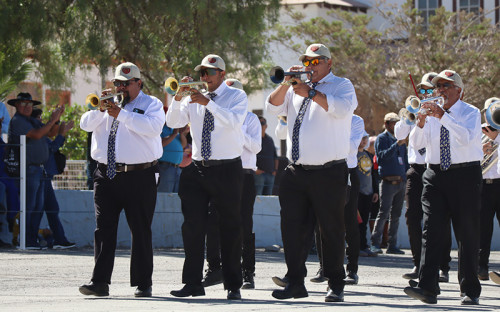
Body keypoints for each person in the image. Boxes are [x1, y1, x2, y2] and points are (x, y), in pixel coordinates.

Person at [266, 43, 357, 302]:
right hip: (296, 172)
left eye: (316, 62)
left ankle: (336, 283)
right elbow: (272, 107)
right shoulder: (296, 88)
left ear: (329, 63)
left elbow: (341, 110)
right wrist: (287, 84)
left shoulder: (342, 85)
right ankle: (295, 282)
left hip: (329, 172)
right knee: (292, 229)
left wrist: (310, 93)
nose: (311, 66)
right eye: (307, 61)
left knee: (331, 230)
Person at [79, 62, 164, 297]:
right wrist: (100, 110)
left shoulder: (151, 104)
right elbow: (84, 124)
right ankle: (100, 282)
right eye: (118, 83)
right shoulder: (105, 106)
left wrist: (122, 114)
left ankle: (143, 282)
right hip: (106, 174)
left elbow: (154, 128)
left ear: (139, 83)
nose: (121, 88)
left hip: (139, 174)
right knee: (103, 229)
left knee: (140, 229)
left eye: (126, 84)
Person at [167, 54, 248, 300]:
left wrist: (207, 103)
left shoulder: (236, 96)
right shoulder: (193, 97)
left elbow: (234, 122)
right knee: (192, 227)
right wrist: (178, 96)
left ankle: (233, 285)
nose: (205, 77)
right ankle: (192, 283)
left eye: (209, 73)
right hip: (199, 168)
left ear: (222, 74)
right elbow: (173, 121)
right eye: (202, 73)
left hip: (227, 169)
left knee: (230, 228)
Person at [405, 70, 482, 305]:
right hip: (435, 174)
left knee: (466, 233)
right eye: (439, 86)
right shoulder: (430, 112)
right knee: (431, 231)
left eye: (447, 86)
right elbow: (417, 146)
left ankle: (469, 289)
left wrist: (443, 117)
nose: (441, 91)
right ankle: (427, 287)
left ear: (459, 90)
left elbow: (466, 138)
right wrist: (420, 122)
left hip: (465, 174)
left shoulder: (471, 112)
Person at [204, 78, 262, 290]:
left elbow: (255, 147)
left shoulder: (251, 119)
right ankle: (214, 268)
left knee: (244, 225)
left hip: (244, 175)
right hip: (219, 172)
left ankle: (248, 271)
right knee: (212, 222)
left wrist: (236, 129)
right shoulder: (214, 115)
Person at [395, 73, 451, 282]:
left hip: (434, 169)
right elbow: (400, 135)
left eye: (429, 89)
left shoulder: (442, 111)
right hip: (415, 170)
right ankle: (419, 263)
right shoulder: (416, 108)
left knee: (438, 219)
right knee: (412, 216)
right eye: (422, 89)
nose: (425, 93)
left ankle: (442, 266)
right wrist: (410, 114)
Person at [310, 114, 365, 285]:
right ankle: (323, 267)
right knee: (321, 223)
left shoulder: (356, 120)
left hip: (348, 172)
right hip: (325, 172)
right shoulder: (325, 118)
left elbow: (350, 147)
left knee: (349, 222)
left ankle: (352, 269)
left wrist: (330, 136)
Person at [7, 92, 63, 249]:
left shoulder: (31, 120)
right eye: (23, 104)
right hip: (27, 169)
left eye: (29, 104)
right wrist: (52, 120)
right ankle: (24, 239)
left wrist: (56, 120)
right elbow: (38, 135)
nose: (26, 107)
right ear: (16, 106)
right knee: (29, 206)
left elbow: (50, 132)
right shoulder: (18, 121)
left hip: (38, 170)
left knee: (37, 207)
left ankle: (31, 240)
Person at [31, 108, 76, 249]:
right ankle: (32, 239)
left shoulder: (41, 134)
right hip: (41, 177)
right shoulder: (36, 135)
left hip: (45, 178)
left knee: (51, 209)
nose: (40, 120)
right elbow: (54, 146)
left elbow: (52, 139)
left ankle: (59, 239)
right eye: (38, 117)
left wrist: (62, 129)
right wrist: (62, 133)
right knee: (39, 210)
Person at [371, 112, 408, 254]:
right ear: (386, 124)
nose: (396, 126)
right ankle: (376, 242)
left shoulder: (401, 140)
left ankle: (392, 244)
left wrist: (405, 176)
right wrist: (396, 145)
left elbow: (404, 160)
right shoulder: (382, 138)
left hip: (400, 182)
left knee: (396, 215)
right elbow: (381, 157)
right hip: (387, 181)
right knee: (383, 213)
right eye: (393, 123)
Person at [478, 97, 500, 280]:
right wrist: (481, 149)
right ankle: (481, 268)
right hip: (484, 185)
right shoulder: (478, 132)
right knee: (483, 228)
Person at [356, 133, 378, 257]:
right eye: (362, 138)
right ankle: (356, 246)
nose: (364, 141)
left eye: (365, 139)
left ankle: (364, 245)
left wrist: (375, 191)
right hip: (357, 193)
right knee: (356, 221)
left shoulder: (368, 154)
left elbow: (373, 174)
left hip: (368, 192)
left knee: (364, 221)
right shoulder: (353, 155)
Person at [157, 122, 188, 193]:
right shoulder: (160, 128)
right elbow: (160, 144)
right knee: (164, 195)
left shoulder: (173, 129)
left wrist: (181, 134)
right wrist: (174, 134)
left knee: (176, 196)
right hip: (164, 167)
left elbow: (183, 145)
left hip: (177, 168)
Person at [255, 116, 278, 195]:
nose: (261, 125)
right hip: (259, 174)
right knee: (258, 196)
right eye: (259, 123)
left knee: (269, 196)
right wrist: (255, 170)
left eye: (262, 123)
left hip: (270, 174)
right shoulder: (253, 139)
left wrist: (275, 170)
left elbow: (275, 156)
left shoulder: (270, 139)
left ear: (266, 125)